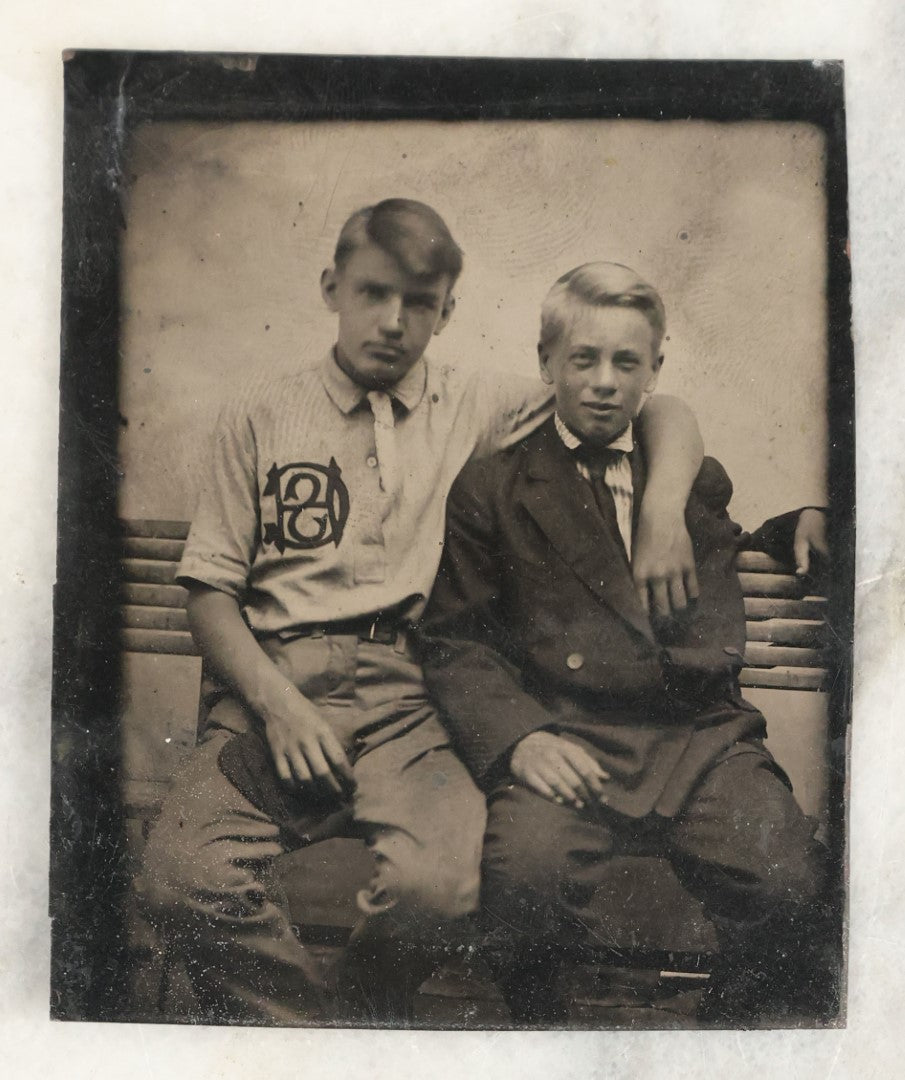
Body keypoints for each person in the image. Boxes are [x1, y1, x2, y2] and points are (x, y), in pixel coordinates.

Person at [137, 202, 708, 1026]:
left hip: (413, 700)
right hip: (277, 693)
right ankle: (304, 1043)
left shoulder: (477, 403)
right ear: (332, 287)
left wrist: (659, 514)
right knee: (181, 877)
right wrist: (279, 705)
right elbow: (210, 592)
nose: (393, 322)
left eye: (420, 302)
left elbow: (659, 407)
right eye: (372, 294)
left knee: (443, 892)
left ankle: (360, 1026)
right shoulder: (260, 411)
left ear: (449, 309)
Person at [419, 261, 835, 1025]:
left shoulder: (687, 477)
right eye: (583, 359)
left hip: (697, 738)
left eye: (626, 362)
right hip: (570, 735)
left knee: (789, 881)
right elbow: (454, 640)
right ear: (546, 363)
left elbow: (726, 546)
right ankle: (548, 1047)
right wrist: (519, 740)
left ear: (655, 369)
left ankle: (730, 1044)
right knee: (523, 883)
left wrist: (797, 523)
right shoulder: (494, 487)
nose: (604, 382)